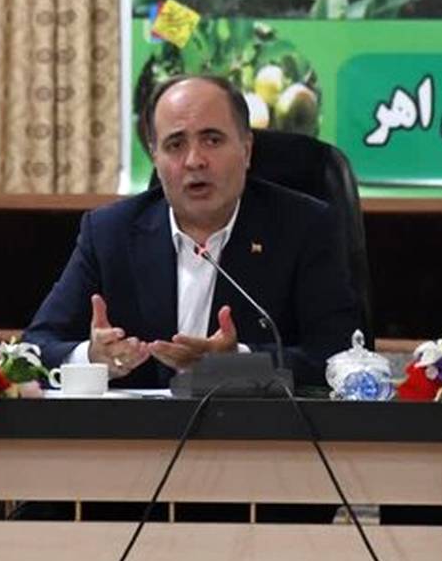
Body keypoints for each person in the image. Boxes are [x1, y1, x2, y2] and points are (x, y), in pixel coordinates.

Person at [24, 74, 360, 389]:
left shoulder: (305, 227)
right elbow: (35, 349)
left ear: (246, 149)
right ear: (155, 158)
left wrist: (238, 362)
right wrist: (91, 357)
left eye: (212, 140)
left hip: (260, 429)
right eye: (175, 145)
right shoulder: (110, 233)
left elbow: (342, 356)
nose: (194, 160)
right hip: (137, 431)